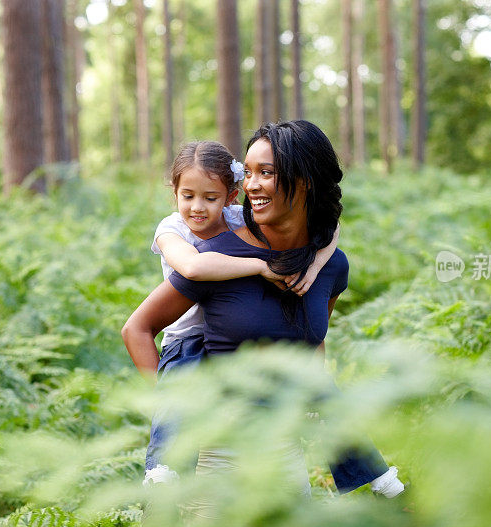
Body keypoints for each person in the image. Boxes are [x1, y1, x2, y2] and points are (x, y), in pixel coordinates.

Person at [122, 120, 403, 498]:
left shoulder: (329, 265)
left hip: (284, 456)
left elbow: (312, 343)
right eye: (251, 172)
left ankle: (378, 483)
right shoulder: (209, 251)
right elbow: (140, 325)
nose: (254, 185)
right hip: (215, 459)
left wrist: (316, 265)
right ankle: (164, 467)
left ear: (304, 181)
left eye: (265, 173)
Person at [140, 140, 340, 484]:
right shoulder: (171, 230)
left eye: (210, 197)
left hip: (226, 338)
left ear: (231, 197)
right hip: (186, 339)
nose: (198, 208)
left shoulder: (237, 219)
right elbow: (193, 266)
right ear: (174, 193)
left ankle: (371, 476)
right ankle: (163, 476)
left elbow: (328, 227)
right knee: (177, 408)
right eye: (187, 196)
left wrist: (317, 264)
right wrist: (259, 268)